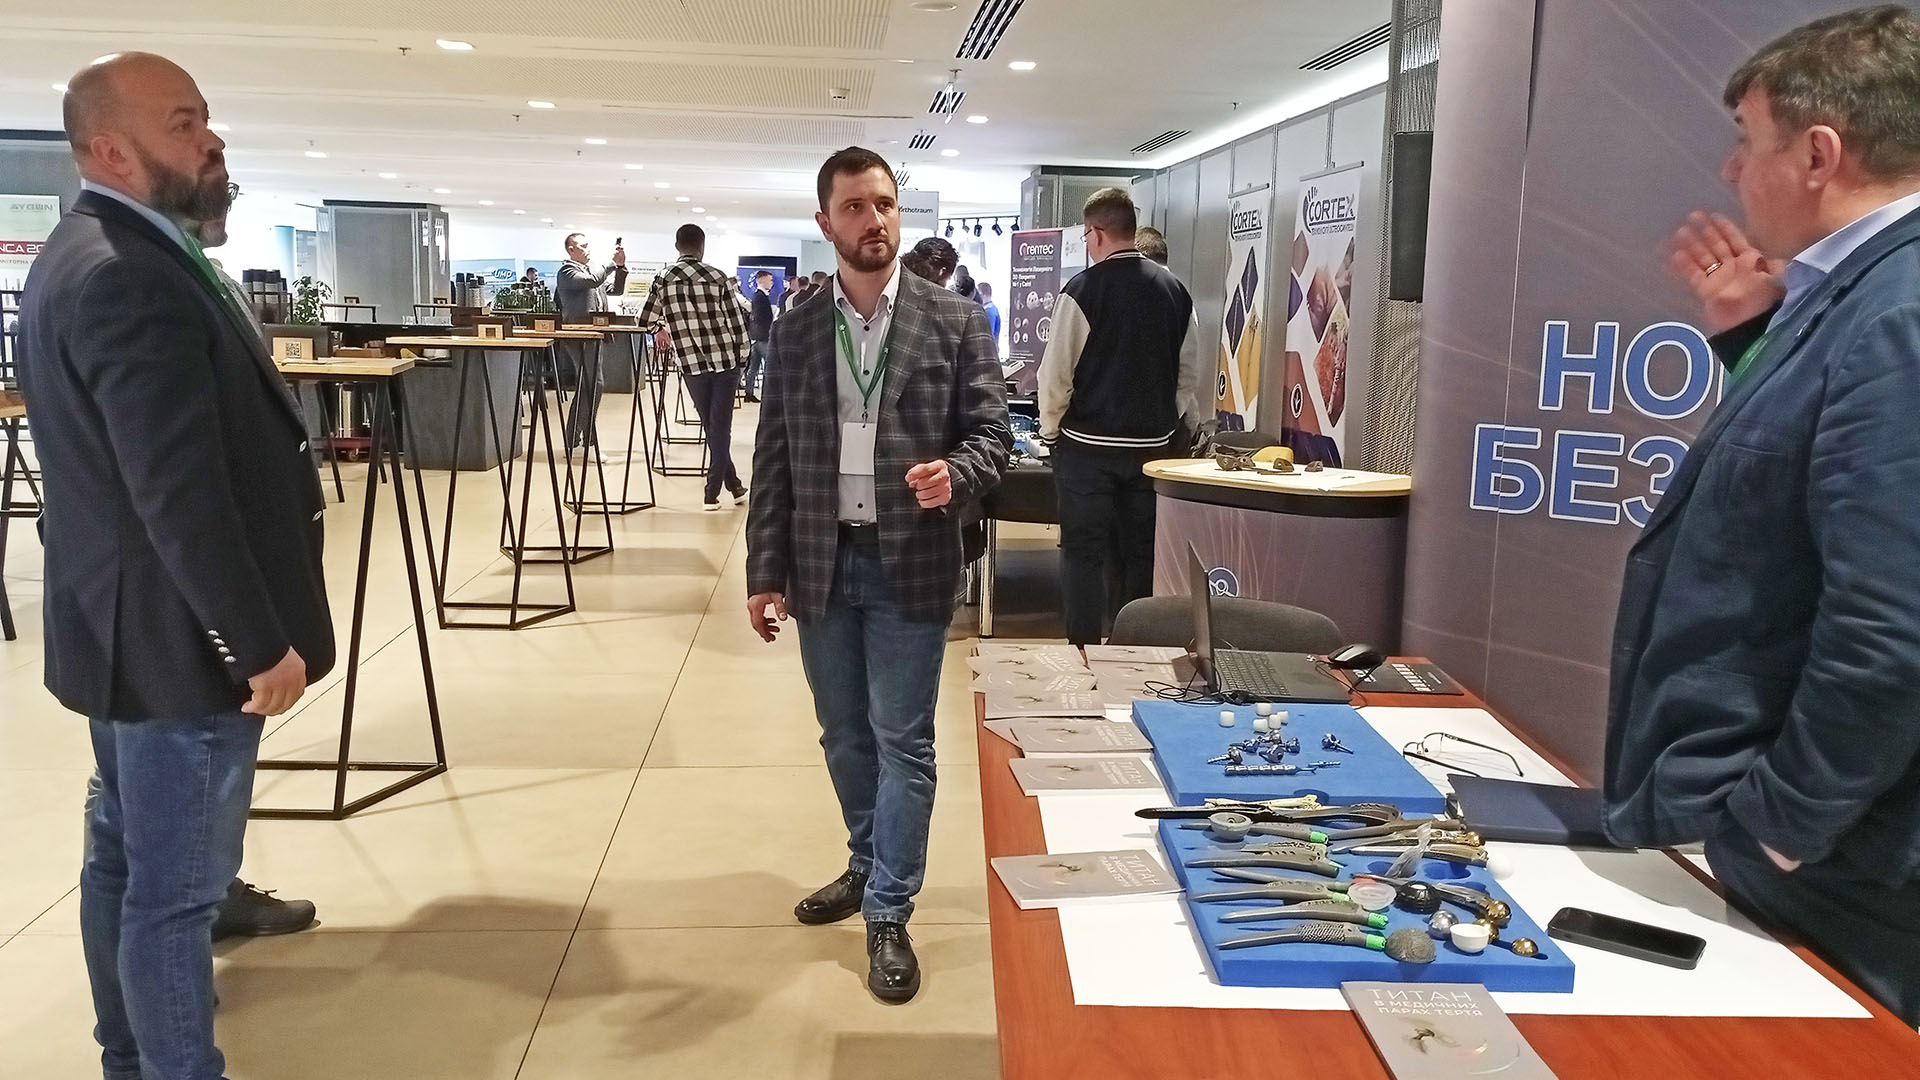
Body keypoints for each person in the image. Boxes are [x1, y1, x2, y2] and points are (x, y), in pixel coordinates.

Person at [19, 52, 336, 1080]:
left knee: (123, 859)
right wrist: (255, 643)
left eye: (207, 120)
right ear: (112, 149)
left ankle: (130, 1058)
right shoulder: (127, 276)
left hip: (126, 633)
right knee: (176, 893)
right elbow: (176, 492)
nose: (213, 142)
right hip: (180, 649)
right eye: (185, 124)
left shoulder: (91, 252)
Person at [1608, 5, 1920, 1026]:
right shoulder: (1854, 294)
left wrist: (1781, 826)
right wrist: (1750, 340)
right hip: (1809, 852)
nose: (1733, 170)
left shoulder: (1901, 310)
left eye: (1750, 140)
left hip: (1839, 875)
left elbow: (1892, 626)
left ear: (1820, 154)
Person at [746, 146, 1009, 1004]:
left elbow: (993, 436)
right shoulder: (795, 329)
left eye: (885, 204)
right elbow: (775, 457)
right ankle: (867, 860)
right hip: (822, 564)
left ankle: (889, 908)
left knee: (904, 743)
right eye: (855, 207)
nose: (874, 220)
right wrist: (763, 570)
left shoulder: (954, 320)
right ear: (826, 221)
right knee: (843, 737)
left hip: (912, 562)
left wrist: (956, 474)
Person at [1037, 187, 1209, 645]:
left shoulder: (1081, 290)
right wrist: (1164, 420)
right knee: (1141, 555)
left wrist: (1051, 432)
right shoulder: (1176, 292)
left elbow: (1056, 375)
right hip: (1150, 453)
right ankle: (1134, 648)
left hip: (1086, 450)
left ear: (1095, 234)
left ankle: (1082, 648)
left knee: (1083, 554)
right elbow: (1189, 373)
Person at [639, 224, 750, 511]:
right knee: (720, 426)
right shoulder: (717, 276)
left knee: (712, 426)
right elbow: (737, 323)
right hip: (725, 360)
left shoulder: (663, 278)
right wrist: (743, 358)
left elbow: (645, 320)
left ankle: (732, 485)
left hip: (691, 363)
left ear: (677, 246)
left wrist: (662, 328)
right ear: (702, 246)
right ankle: (713, 491)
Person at [553, 232, 628, 450]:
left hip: (594, 334)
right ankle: (581, 436)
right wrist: (612, 263)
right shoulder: (567, 272)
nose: (588, 250)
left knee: (590, 385)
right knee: (593, 384)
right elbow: (594, 280)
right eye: (583, 246)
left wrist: (620, 268)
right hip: (579, 335)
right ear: (571, 249)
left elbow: (615, 290)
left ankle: (580, 437)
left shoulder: (589, 271)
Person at [744, 269, 776, 402]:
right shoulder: (760, 297)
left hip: (757, 336)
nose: (772, 283)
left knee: (754, 367)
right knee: (770, 365)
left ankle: (749, 392)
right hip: (763, 336)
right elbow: (760, 317)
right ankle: (768, 394)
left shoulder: (758, 296)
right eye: (770, 280)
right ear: (761, 280)